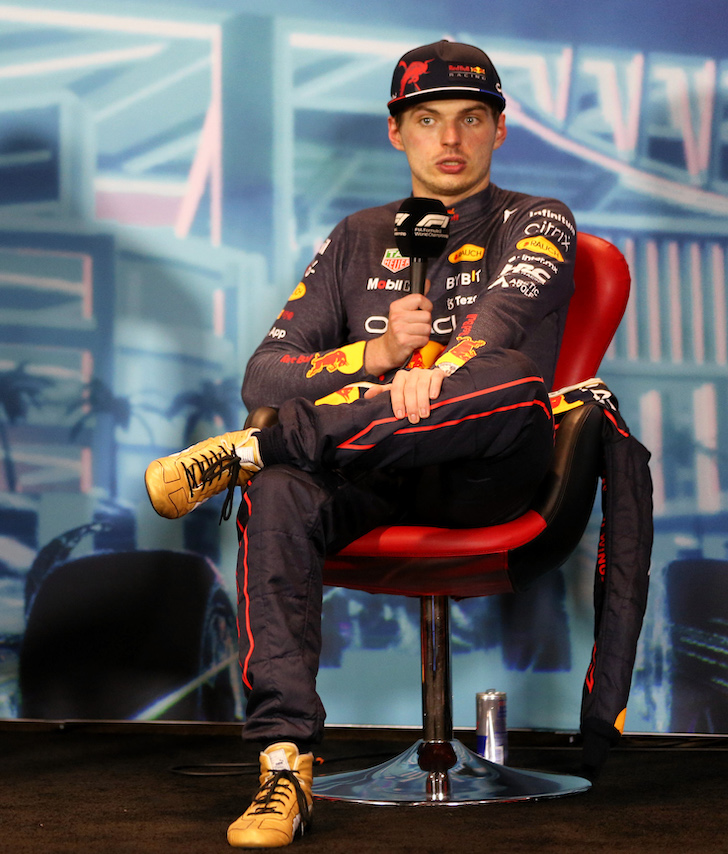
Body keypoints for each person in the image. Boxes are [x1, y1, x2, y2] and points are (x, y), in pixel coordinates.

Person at [145, 41, 576, 848]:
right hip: (368, 472)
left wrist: (441, 369)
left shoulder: (538, 217)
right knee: (278, 491)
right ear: (396, 133)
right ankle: (285, 765)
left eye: (471, 119)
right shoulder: (357, 236)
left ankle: (251, 452)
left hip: (484, 473)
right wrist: (371, 358)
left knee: (515, 380)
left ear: (499, 130)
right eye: (428, 120)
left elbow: (507, 322)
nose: (450, 139)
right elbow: (264, 379)